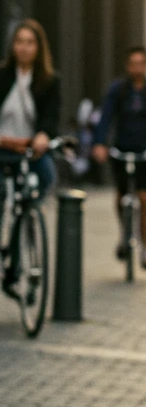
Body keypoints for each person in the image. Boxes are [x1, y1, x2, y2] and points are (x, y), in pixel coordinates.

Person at [92, 46, 146, 270]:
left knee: (145, 198)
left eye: (141, 63)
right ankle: (124, 233)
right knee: (120, 196)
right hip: (122, 149)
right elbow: (105, 116)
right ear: (127, 66)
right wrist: (99, 143)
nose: (137, 68)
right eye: (133, 63)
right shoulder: (118, 90)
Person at [0, 20, 60, 292]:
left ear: (38, 47)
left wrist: (43, 136)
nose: (24, 48)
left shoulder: (49, 81)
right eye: (19, 42)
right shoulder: (2, 76)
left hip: (29, 150)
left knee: (45, 177)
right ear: (13, 46)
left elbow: (50, 119)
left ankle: (26, 227)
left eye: (29, 42)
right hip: (1, 148)